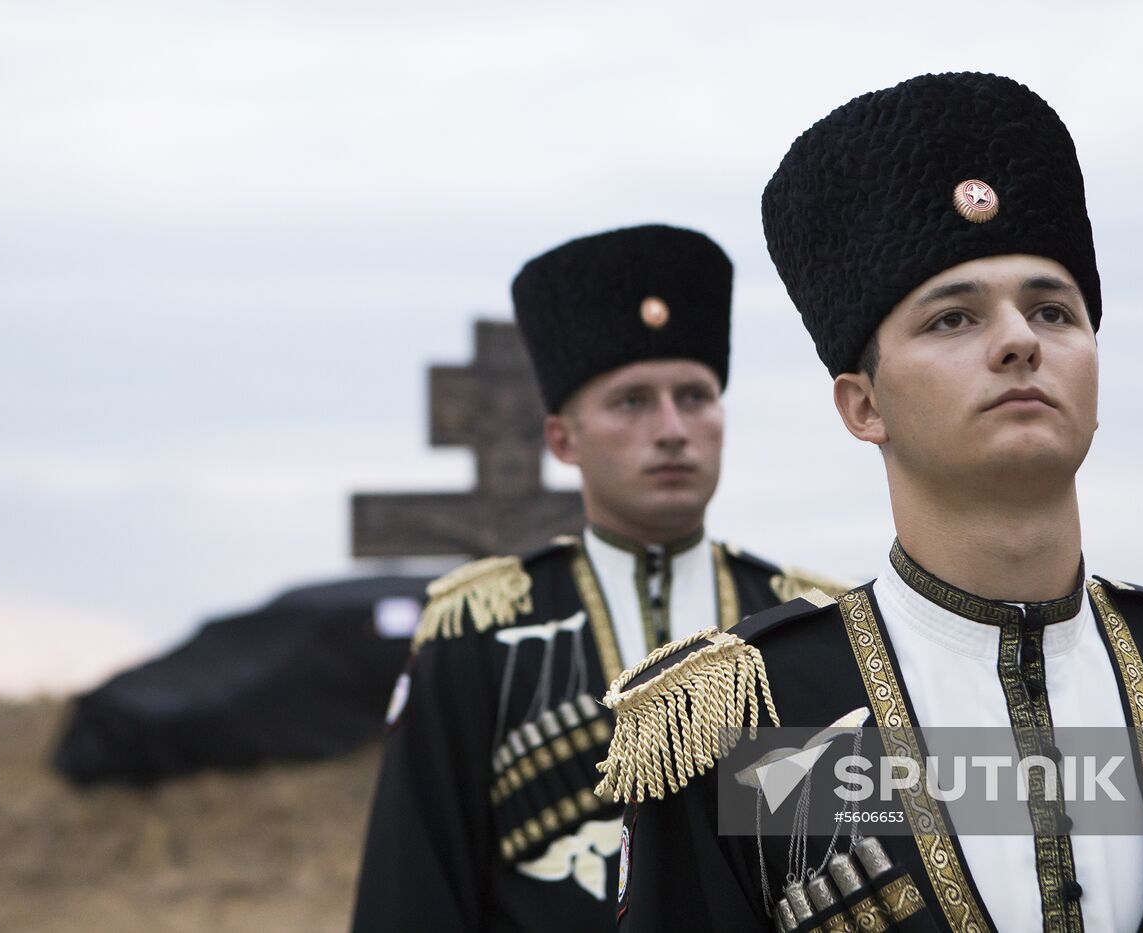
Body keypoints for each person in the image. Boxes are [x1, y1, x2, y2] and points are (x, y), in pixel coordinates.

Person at [601, 75, 1143, 932]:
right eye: (953, 319)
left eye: (1052, 309)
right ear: (864, 405)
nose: (1018, 341)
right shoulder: (742, 728)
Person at [350, 223, 846, 932]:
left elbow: (833, 869)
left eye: (696, 396)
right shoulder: (481, 632)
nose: (673, 428)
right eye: (632, 401)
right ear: (562, 438)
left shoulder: (798, 626)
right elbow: (412, 888)